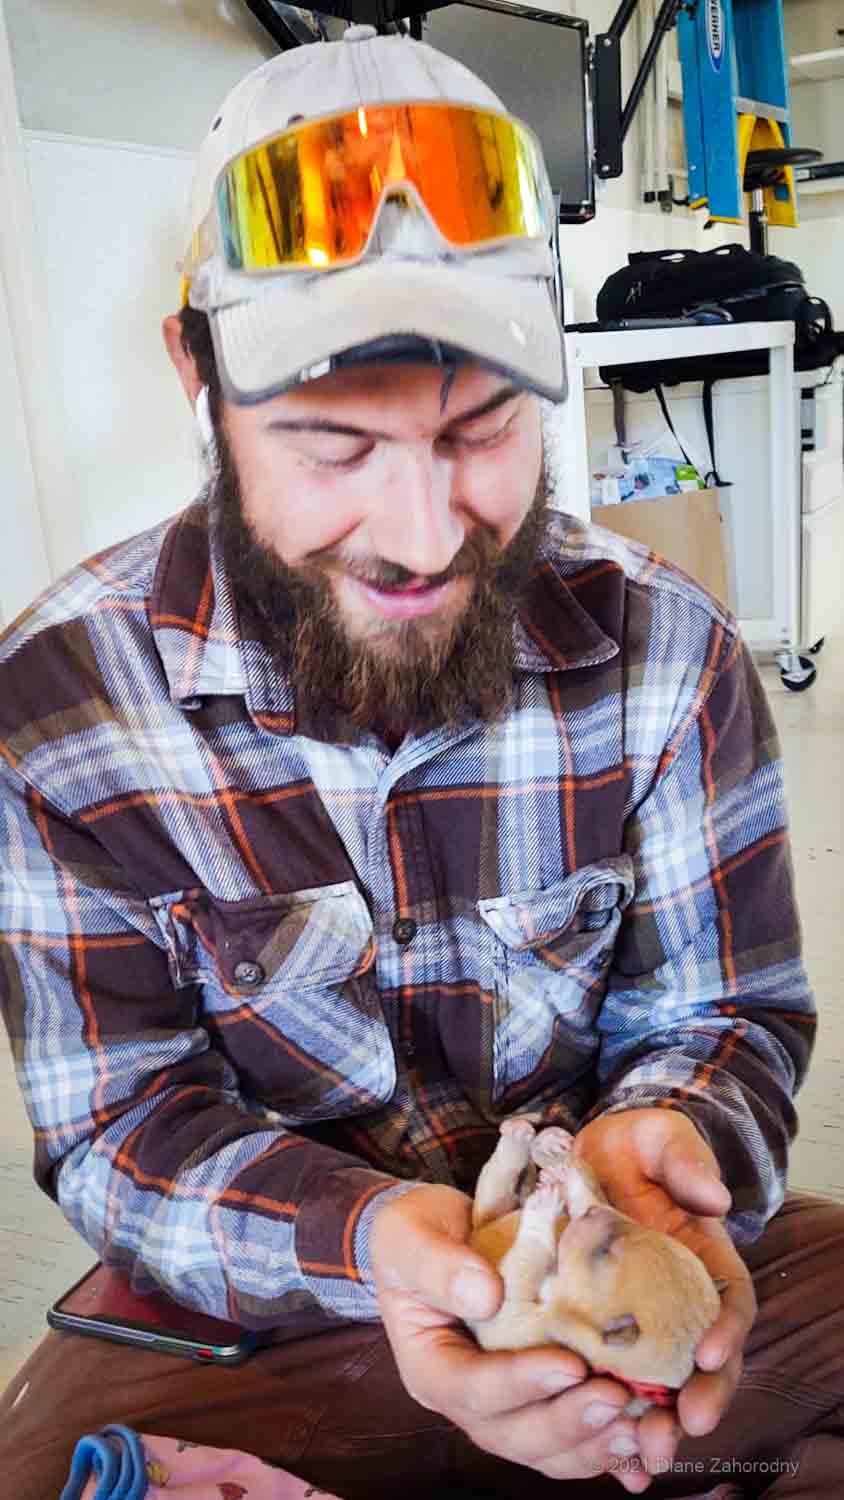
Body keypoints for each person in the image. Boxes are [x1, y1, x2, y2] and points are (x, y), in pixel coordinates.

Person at [0, 25, 841, 1500]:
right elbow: (121, 1127)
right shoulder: (60, 706)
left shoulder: (670, 650)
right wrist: (384, 1245)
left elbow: (728, 1013)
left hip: (606, 1264)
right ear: (195, 373)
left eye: (482, 429)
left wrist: (671, 1138)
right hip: (281, 1319)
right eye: (331, 444)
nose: (424, 531)